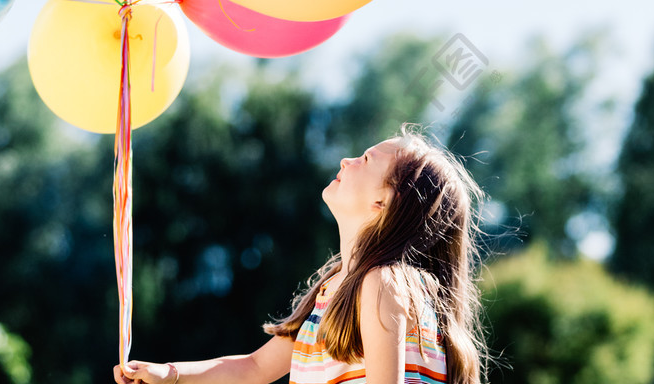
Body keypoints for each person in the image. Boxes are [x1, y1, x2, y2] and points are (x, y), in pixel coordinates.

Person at [113, 125, 487, 384]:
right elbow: (255, 368)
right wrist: (170, 374)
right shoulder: (336, 288)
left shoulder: (381, 284)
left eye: (366, 160)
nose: (346, 161)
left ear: (384, 202)